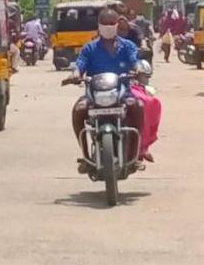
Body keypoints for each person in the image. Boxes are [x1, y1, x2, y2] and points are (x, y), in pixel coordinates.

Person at [64, 9, 155, 167]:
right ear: (99, 25)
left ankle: (135, 155)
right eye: (104, 24)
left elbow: (135, 60)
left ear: (117, 25)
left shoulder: (127, 46)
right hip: (94, 95)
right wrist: (74, 74)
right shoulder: (89, 48)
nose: (108, 27)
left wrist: (138, 68)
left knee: (138, 107)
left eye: (111, 23)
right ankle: (85, 156)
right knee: (78, 109)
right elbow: (80, 65)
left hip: (122, 93)